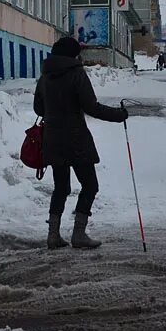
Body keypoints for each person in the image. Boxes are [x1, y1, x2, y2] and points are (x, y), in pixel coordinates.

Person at [34, 37, 129, 250]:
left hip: (52, 138)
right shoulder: (76, 74)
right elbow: (91, 107)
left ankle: (53, 235)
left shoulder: (45, 76)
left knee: (61, 187)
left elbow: (38, 109)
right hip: (76, 138)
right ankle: (79, 234)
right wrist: (119, 115)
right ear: (73, 54)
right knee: (90, 185)